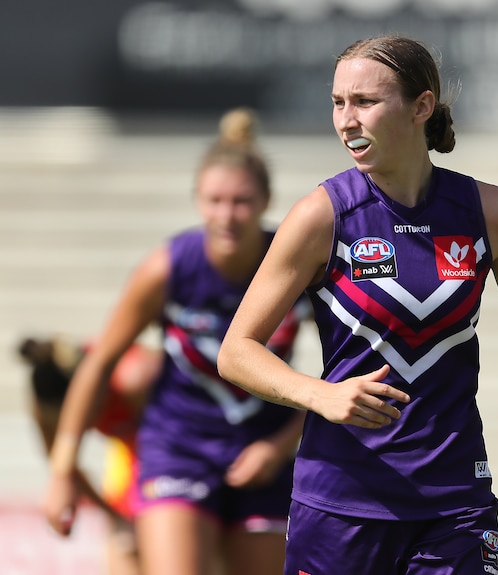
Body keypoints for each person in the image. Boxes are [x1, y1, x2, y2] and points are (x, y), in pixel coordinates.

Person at [216, 35, 498, 575]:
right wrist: (321, 395)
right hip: (342, 499)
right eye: (338, 103)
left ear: (422, 107)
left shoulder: (493, 212)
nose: (345, 120)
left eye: (364, 102)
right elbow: (236, 351)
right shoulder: (322, 215)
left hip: (455, 498)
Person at [43, 108, 310, 575]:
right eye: (214, 200)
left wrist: (282, 444)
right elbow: (100, 361)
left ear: (267, 199)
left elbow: (342, 370)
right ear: (197, 201)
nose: (227, 215)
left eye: (241, 201)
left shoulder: (293, 263)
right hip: (179, 446)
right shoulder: (167, 269)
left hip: (265, 450)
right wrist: (63, 470)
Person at [19, 335, 161, 575]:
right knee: (123, 542)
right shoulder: (44, 405)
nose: (79, 427)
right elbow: (64, 470)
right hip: (128, 451)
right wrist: (115, 516)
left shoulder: (133, 379)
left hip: (168, 447)